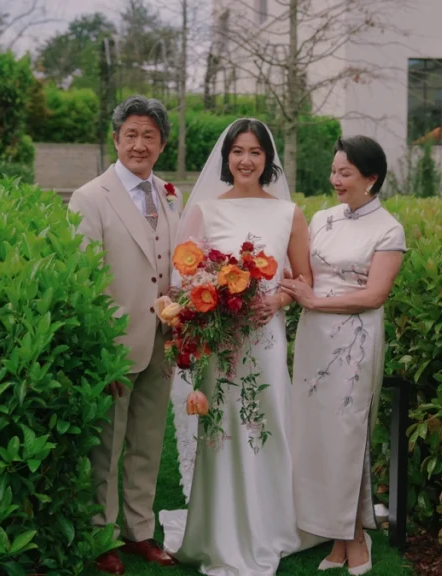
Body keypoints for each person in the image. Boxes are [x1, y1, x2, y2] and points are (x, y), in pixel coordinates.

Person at [158, 118, 323, 575]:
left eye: (255, 151)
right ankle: (219, 527)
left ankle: (271, 524)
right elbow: (183, 279)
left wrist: (275, 299)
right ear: (226, 158)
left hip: (265, 337)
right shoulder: (206, 210)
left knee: (266, 421)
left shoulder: (288, 213)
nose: (246, 160)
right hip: (221, 340)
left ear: (268, 159)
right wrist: (207, 301)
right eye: (237, 152)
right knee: (223, 428)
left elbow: (303, 278)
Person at [279, 135, 406, 575]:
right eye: (334, 171)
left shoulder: (389, 229)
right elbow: (304, 273)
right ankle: (334, 535)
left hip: (355, 340)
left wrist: (315, 302)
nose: (335, 180)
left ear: (371, 178)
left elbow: (375, 294)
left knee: (348, 435)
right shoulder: (323, 218)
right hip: (314, 338)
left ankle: (354, 536)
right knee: (315, 434)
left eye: (345, 173)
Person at [67, 95, 180, 575]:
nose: (139, 144)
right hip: (116, 342)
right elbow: (83, 279)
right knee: (105, 445)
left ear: (162, 144)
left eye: (148, 136)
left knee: (148, 440)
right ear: (115, 140)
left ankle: (140, 531)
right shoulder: (90, 197)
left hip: (163, 339)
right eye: (130, 134)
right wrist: (101, 348)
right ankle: (101, 535)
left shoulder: (172, 195)